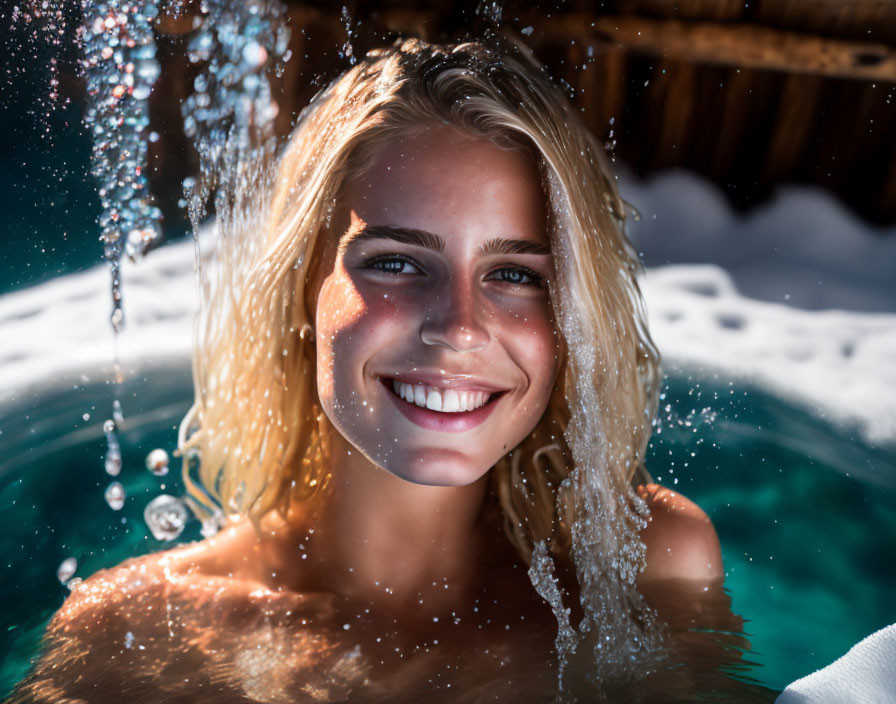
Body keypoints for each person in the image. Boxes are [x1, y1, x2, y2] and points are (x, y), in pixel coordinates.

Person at [11, 38, 729, 703]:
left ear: (574, 319)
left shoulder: (644, 566)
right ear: (302, 287)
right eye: (395, 262)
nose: (459, 327)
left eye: (515, 273)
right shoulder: (133, 628)